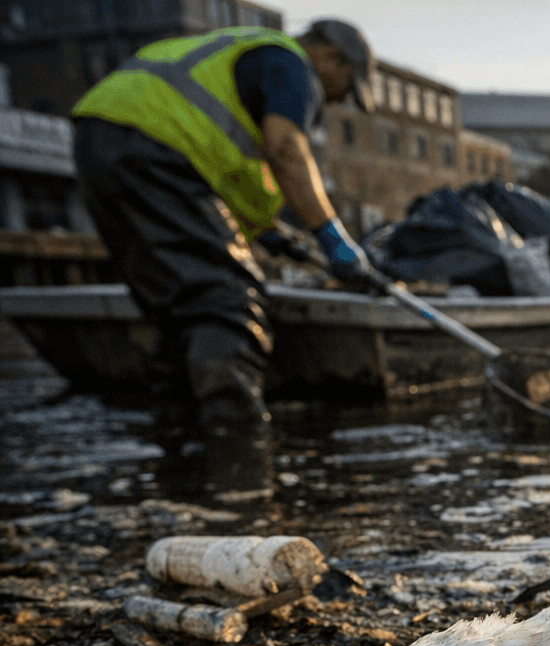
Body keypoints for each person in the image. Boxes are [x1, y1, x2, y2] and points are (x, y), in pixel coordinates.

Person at [72, 19, 377, 429]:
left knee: (179, 308)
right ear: (330, 56)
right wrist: (333, 237)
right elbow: (286, 150)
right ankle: (235, 447)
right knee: (227, 300)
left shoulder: (234, 55)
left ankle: (181, 441)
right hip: (152, 143)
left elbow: (219, 169)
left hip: (98, 137)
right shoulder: (291, 64)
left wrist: (270, 232)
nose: (339, 101)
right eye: (346, 86)